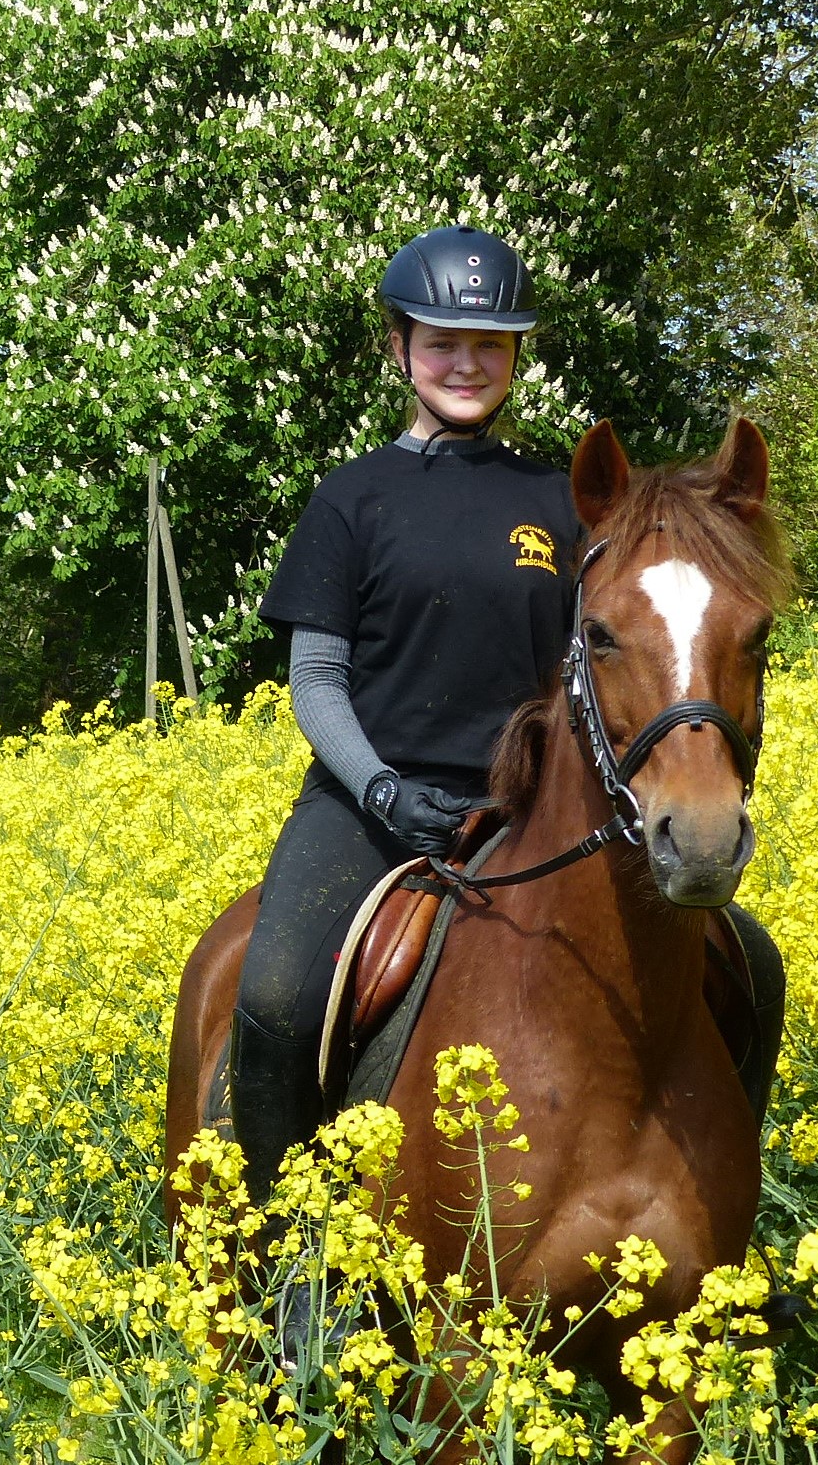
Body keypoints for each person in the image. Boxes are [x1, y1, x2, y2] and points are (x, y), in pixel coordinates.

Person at [228, 225, 583, 1204]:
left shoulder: (559, 500)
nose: (466, 364)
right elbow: (315, 680)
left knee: (738, 965)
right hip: (370, 807)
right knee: (276, 996)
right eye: (441, 342)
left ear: (515, 355)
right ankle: (285, 1238)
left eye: (489, 344)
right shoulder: (352, 498)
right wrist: (382, 789)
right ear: (400, 348)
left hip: (529, 810)